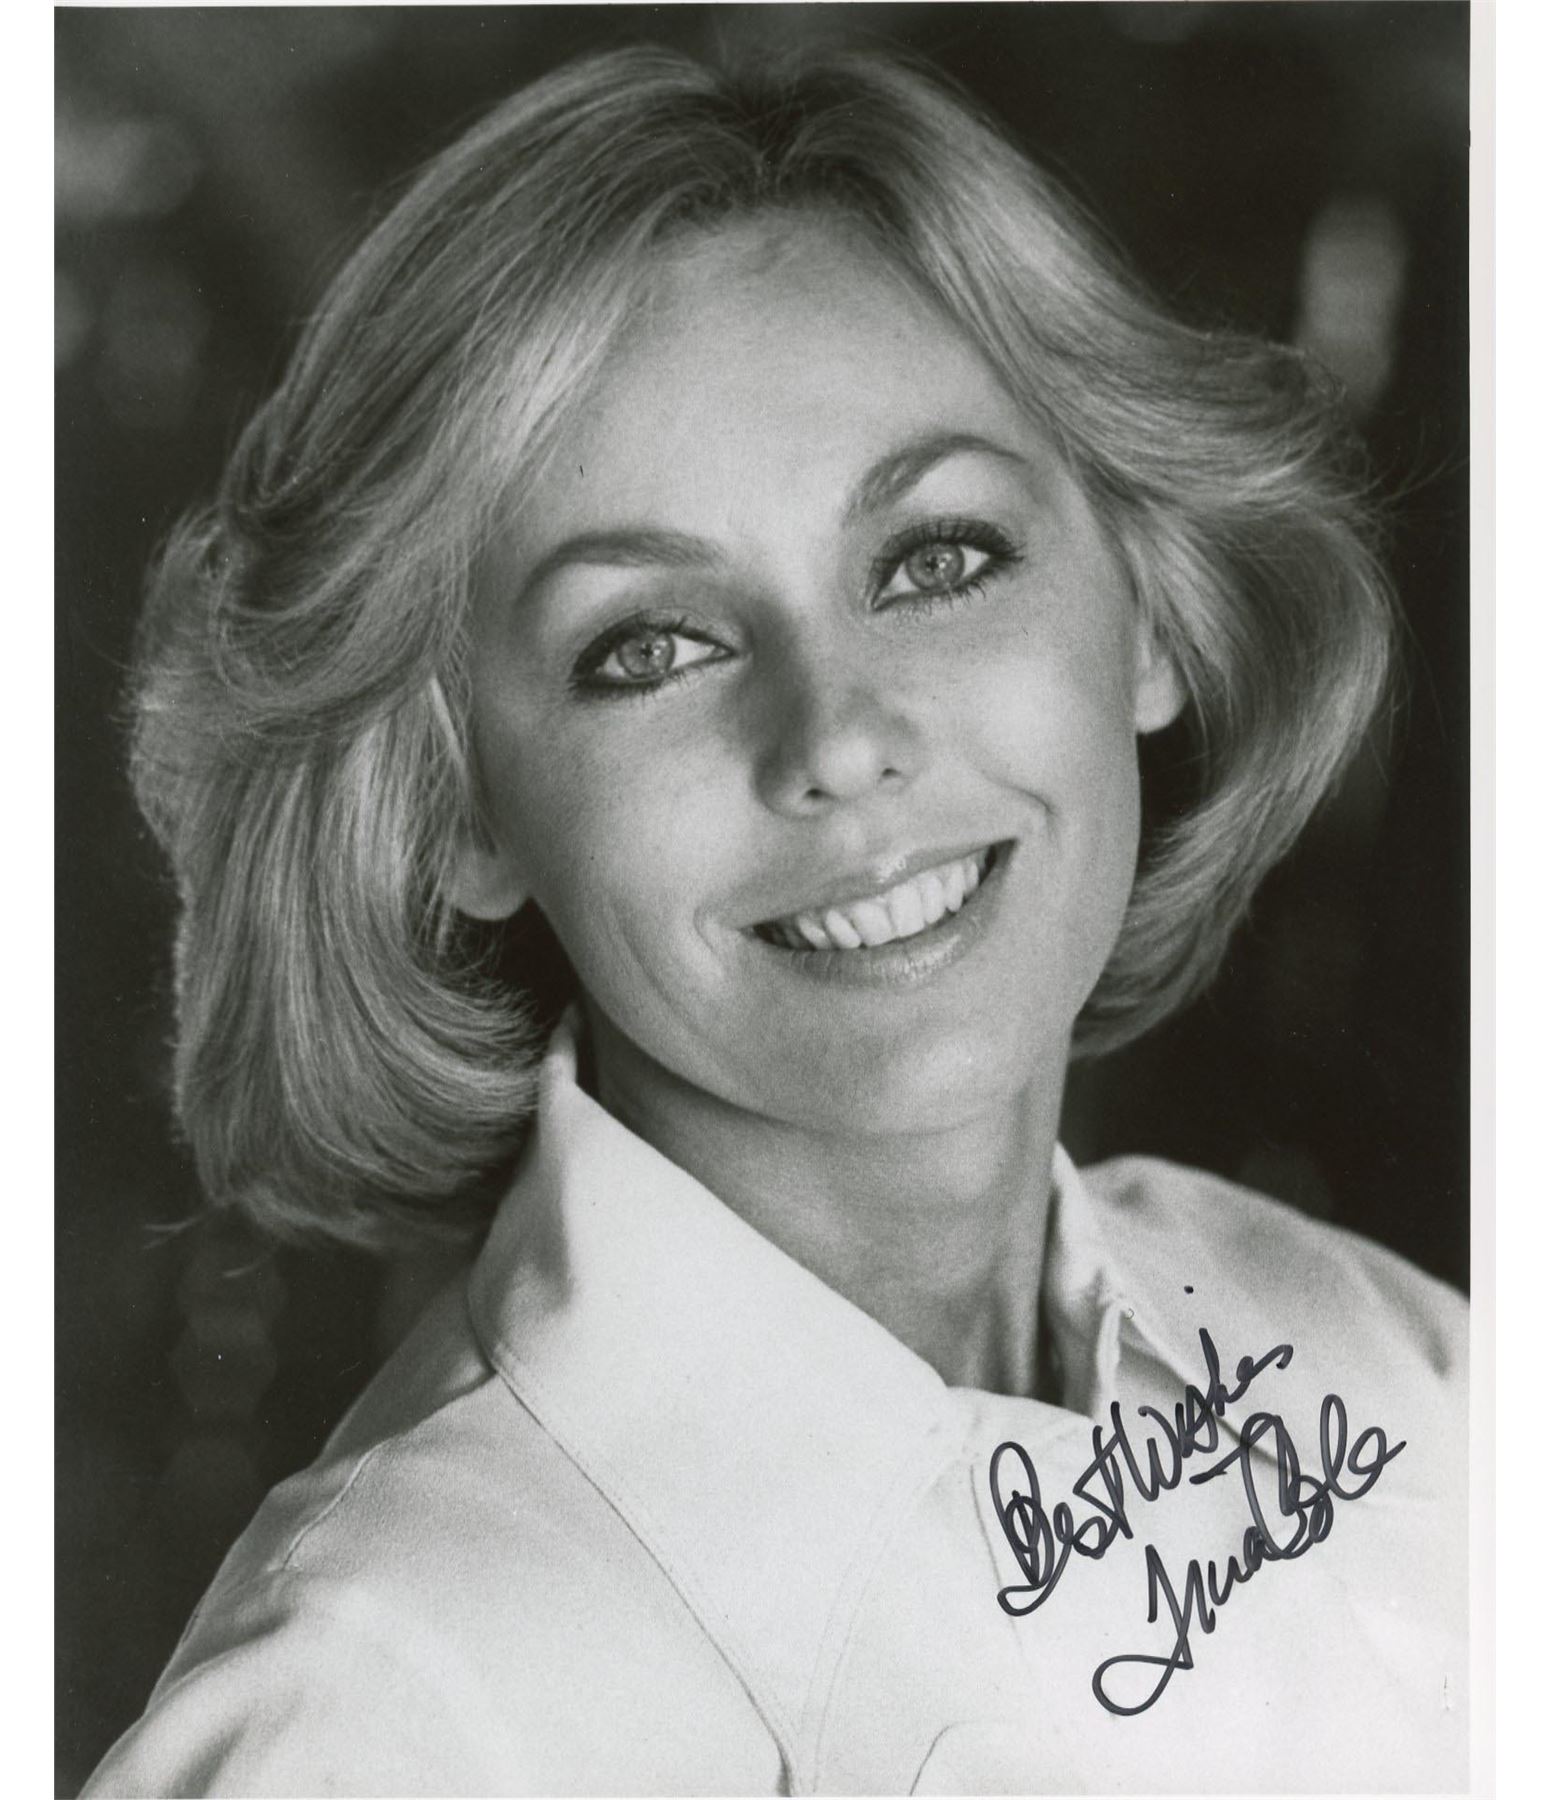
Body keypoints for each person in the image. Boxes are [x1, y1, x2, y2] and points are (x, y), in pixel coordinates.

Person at [84, 41, 1467, 1798]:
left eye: (938, 560)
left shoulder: (1403, 1369)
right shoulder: (374, 1717)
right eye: (649, 646)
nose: (837, 739)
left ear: (1150, 615)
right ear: (455, 814)